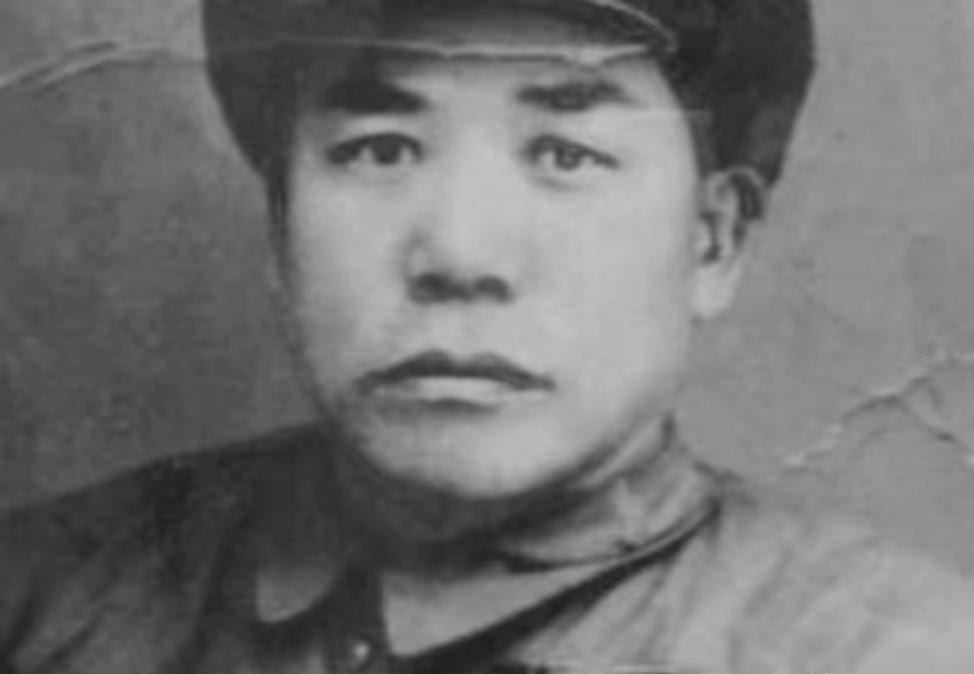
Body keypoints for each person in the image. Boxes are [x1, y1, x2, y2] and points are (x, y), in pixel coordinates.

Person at [2, 0, 974, 672]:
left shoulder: (893, 650)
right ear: (280, 230)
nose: (461, 253)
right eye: (380, 148)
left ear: (711, 240)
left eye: (566, 153)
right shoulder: (41, 600)